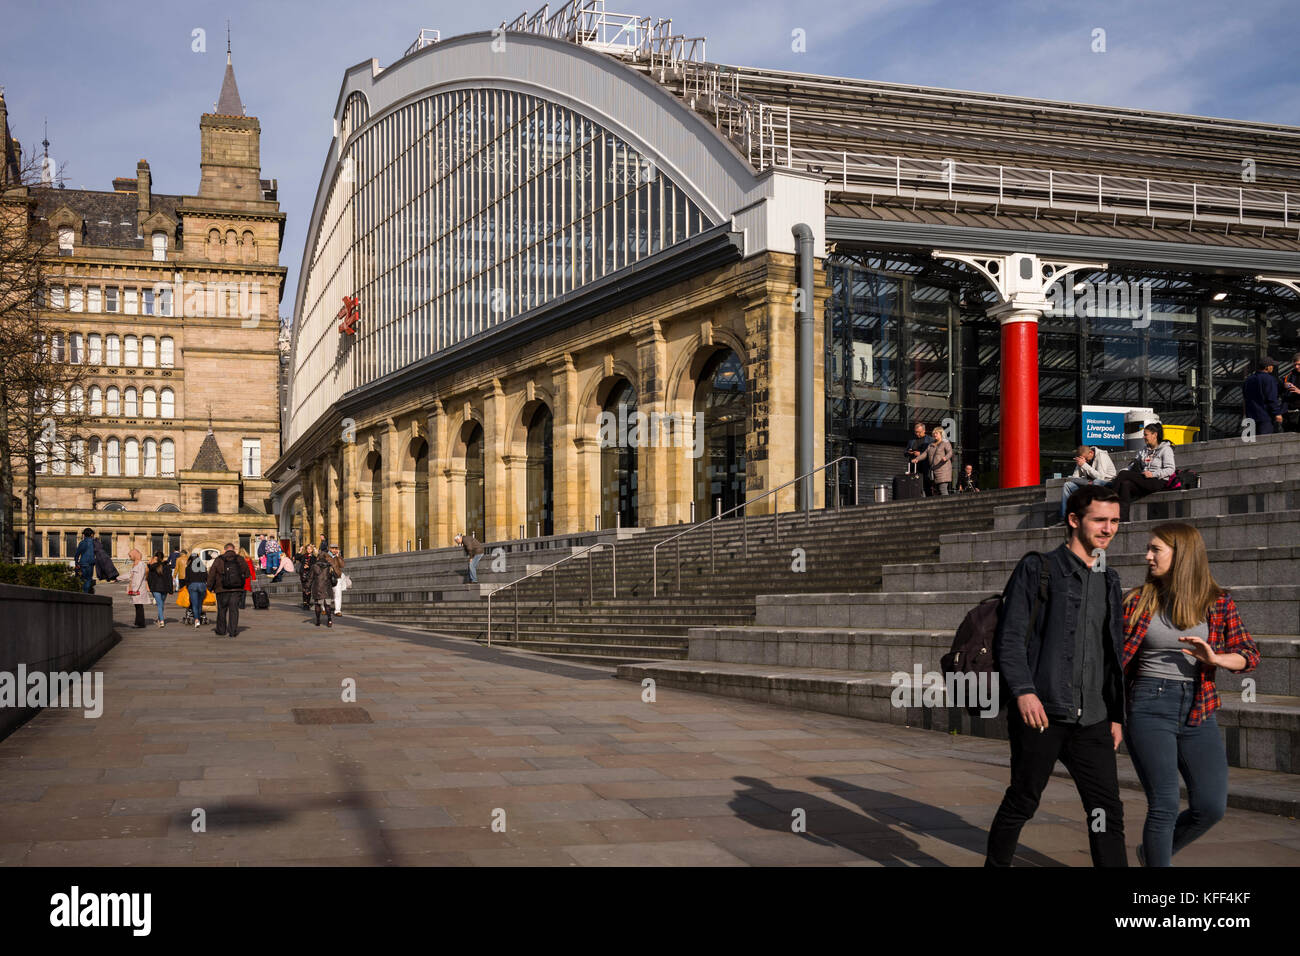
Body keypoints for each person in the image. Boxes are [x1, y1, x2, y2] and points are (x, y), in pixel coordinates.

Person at [985, 484, 1127, 867]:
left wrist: (1115, 713)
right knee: (1023, 801)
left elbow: (1110, 653)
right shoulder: (1038, 568)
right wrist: (1024, 692)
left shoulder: (1110, 580)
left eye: (1114, 521)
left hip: (1093, 720)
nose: (1108, 529)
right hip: (1042, 712)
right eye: (1100, 520)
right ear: (1074, 520)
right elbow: (1010, 638)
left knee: (1106, 812)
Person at [1121, 523, 1260, 867]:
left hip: (1199, 707)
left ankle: (1153, 854)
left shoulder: (1217, 601)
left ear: (1181, 554)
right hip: (1149, 705)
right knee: (1164, 804)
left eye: (1156, 549)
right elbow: (1112, 660)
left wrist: (1214, 658)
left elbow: (1248, 653)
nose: (1147, 556)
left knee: (1210, 807)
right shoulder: (1137, 600)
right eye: (1148, 549)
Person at [1112, 423, 1176, 522]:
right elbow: (1132, 466)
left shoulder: (1166, 449)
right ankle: (1123, 520)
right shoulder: (1143, 450)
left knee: (1123, 475)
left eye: (1146, 434)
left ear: (1154, 435)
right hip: (1144, 479)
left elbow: (1171, 469)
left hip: (1157, 480)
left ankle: (1108, 501)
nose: (1144, 437)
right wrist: (1123, 471)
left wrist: (1153, 474)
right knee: (1126, 484)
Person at [1060, 444, 1117, 523]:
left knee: (1096, 482)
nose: (1086, 461)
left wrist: (1084, 465)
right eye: (1083, 460)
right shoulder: (1083, 460)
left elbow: (1100, 477)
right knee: (1067, 485)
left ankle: (1093, 514)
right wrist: (1080, 466)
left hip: (1107, 483)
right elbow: (1074, 478)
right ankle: (1064, 518)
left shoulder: (1101, 456)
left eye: (1086, 459)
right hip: (1090, 484)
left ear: (1091, 453)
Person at [206, 542, 249, 638]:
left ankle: (221, 630)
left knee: (222, 610)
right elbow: (247, 573)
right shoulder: (240, 559)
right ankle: (232, 631)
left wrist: (209, 587)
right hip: (236, 589)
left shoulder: (219, 559)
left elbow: (211, 574)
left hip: (221, 589)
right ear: (233, 549)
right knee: (234, 610)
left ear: (225, 550)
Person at [1242, 356, 1285, 435]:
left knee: (1250, 444)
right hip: (1265, 418)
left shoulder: (1248, 380)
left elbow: (1245, 398)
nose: (1273, 367)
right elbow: (1271, 398)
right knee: (1265, 443)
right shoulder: (1269, 379)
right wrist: (1277, 413)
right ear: (1267, 367)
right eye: (1272, 365)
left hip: (1250, 417)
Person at [306, 548, 337, 627]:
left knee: (318, 605)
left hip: (317, 587)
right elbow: (334, 576)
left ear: (318, 558)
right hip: (327, 587)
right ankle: (329, 620)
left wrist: (307, 588)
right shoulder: (329, 566)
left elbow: (310, 578)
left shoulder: (314, 566)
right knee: (327, 605)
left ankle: (318, 620)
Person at [903, 421, 934, 495]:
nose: (917, 434)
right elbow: (905, 452)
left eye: (919, 432)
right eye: (916, 432)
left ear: (924, 431)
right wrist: (909, 452)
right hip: (914, 466)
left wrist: (920, 453)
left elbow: (932, 453)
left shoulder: (930, 440)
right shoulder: (912, 440)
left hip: (925, 466)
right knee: (913, 484)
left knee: (926, 485)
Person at [181, 551, 209, 628]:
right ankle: (199, 618)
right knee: (200, 604)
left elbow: (186, 579)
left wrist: (187, 586)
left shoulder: (188, 568)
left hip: (192, 585)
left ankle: (196, 620)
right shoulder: (203, 567)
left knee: (194, 604)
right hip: (202, 585)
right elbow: (207, 578)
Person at [924, 425, 953, 496]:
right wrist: (917, 459)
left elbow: (950, 452)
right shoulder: (931, 444)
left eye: (936, 433)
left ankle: (947, 504)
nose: (934, 434)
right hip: (935, 470)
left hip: (943, 470)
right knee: (938, 491)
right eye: (934, 433)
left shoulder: (945, 442)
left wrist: (946, 457)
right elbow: (925, 453)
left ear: (941, 434)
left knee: (943, 489)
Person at [146, 551, 172, 628]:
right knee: (161, 605)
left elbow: (149, 578)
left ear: (156, 558)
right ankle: (159, 619)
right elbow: (169, 579)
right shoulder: (167, 567)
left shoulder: (152, 567)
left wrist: (150, 588)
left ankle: (161, 621)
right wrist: (170, 589)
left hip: (156, 588)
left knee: (160, 605)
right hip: (165, 588)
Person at [126, 549, 150, 629]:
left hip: (138, 590)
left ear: (135, 554)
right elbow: (130, 575)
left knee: (139, 606)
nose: (130, 558)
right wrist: (118, 578)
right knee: (137, 606)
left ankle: (141, 623)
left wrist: (135, 590)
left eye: (130, 556)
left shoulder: (140, 564)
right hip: (136, 589)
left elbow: (139, 578)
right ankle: (138, 622)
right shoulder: (136, 564)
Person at [1279, 351, 1300, 433]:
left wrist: (1299, 391)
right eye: (1295, 365)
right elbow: (1280, 390)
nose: (1296, 367)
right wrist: (1285, 385)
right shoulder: (1291, 374)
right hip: (1291, 412)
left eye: (1299, 364)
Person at [326, 543, 346, 617]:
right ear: (330, 549)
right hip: (327, 577)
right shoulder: (325, 556)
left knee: (338, 593)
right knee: (327, 593)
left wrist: (338, 557)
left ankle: (337, 610)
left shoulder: (338, 557)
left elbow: (342, 565)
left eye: (336, 548)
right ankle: (324, 608)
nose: (334, 550)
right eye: (333, 548)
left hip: (337, 576)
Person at [74, 527, 96, 594]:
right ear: (91, 534)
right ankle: (86, 594)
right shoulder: (94, 543)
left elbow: (77, 554)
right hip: (90, 564)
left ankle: (83, 592)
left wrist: (76, 563)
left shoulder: (82, 543)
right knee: (88, 579)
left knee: (83, 579)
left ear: (84, 535)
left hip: (82, 563)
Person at [299, 544, 317, 609]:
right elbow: (296, 557)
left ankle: (308, 603)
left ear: (312, 550)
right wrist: (300, 551)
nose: (309, 550)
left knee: (308, 589)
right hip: (303, 574)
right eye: (308, 549)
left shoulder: (314, 557)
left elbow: (315, 565)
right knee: (304, 589)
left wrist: (308, 566)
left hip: (310, 575)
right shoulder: (303, 556)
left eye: (310, 549)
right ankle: (304, 603)